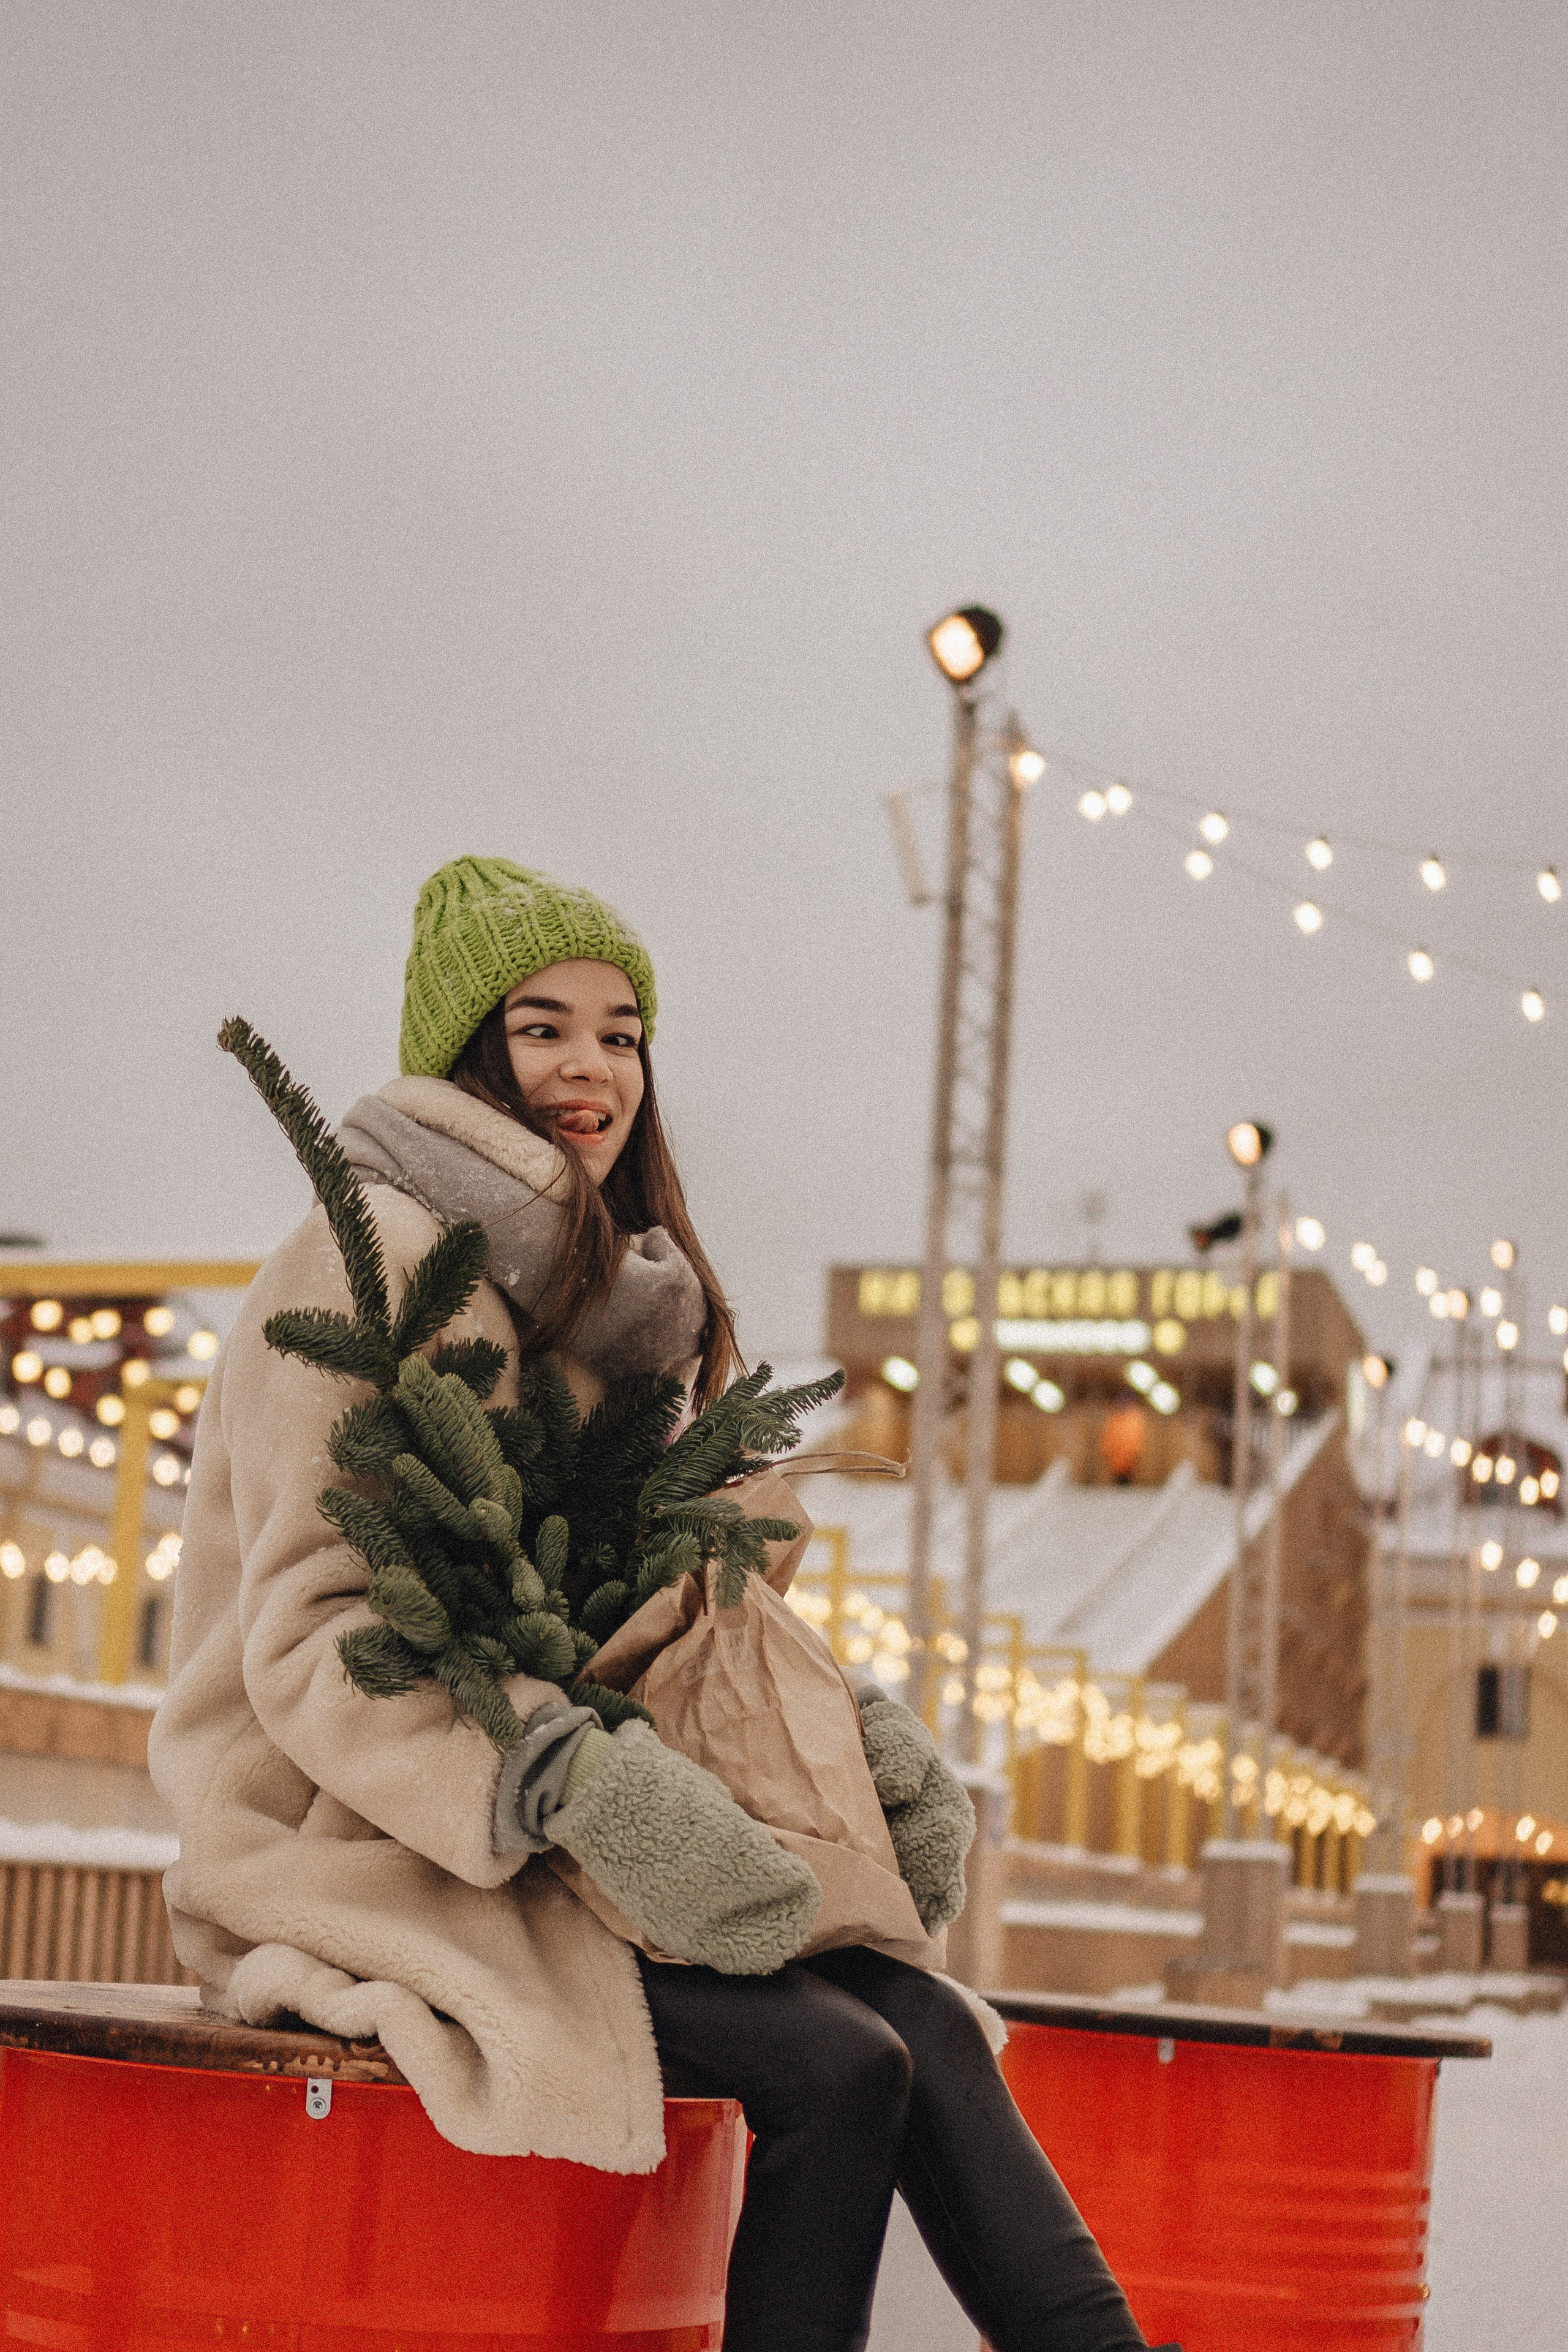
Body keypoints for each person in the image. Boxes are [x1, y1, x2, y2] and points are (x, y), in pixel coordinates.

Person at [150, 854, 1172, 2352]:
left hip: (573, 1845)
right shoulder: (369, 1261)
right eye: (543, 1025)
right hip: (364, 1841)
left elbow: (672, 1605)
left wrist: (859, 1736)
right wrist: (568, 1778)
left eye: (620, 1032)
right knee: (840, 2066)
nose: (588, 1067)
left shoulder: (613, 1300)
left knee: (928, 2024)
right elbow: (316, 1641)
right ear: (466, 1050)